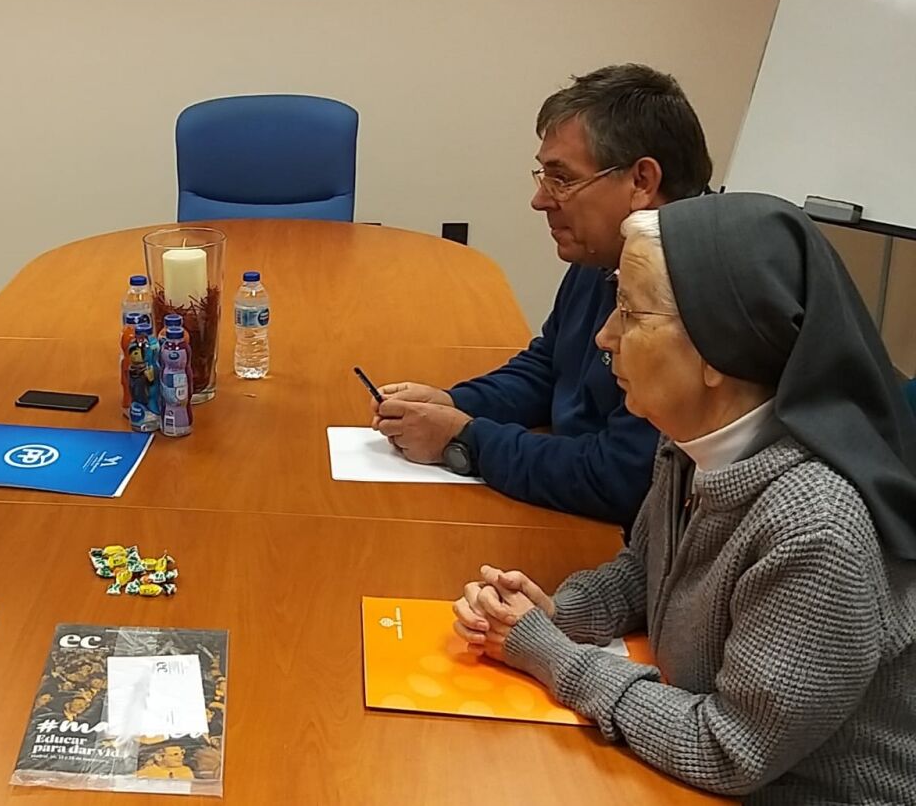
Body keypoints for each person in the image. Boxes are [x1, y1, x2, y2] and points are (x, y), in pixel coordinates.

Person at [451, 194, 916, 802]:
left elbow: (728, 750)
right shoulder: (689, 440)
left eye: (630, 312)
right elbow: (645, 572)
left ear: (719, 347)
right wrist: (556, 614)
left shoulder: (816, 527)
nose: (604, 336)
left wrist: (552, 655)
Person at [374, 64, 713, 529]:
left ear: (641, 181)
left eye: (562, 179)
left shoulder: (694, 296)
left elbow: (624, 477)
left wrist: (464, 440)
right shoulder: (604, 252)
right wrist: (454, 403)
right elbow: (550, 367)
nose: (540, 200)